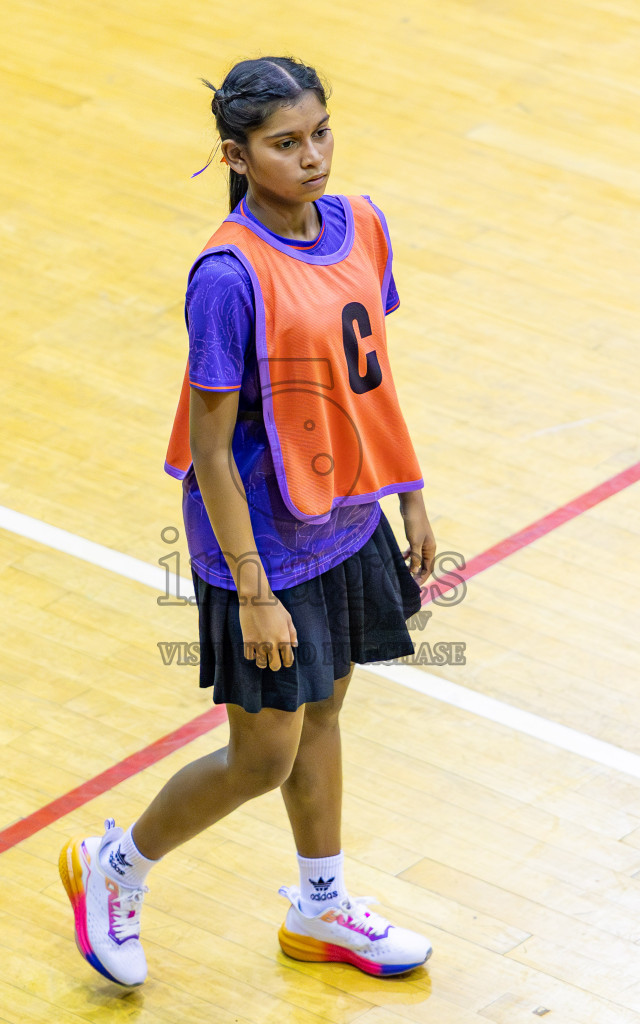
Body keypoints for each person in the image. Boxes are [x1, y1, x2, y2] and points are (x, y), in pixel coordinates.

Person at [59, 55, 437, 988]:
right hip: (262, 543)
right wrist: (255, 591)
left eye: (321, 133)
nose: (312, 157)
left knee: (326, 713)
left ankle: (320, 907)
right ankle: (116, 867)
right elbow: (212, 451)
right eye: (284, 143)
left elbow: (370, 380)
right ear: (236, 155)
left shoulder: (362, 225)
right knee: (262, 756)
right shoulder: (228, 277)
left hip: (345, 517)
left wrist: (410, 491)